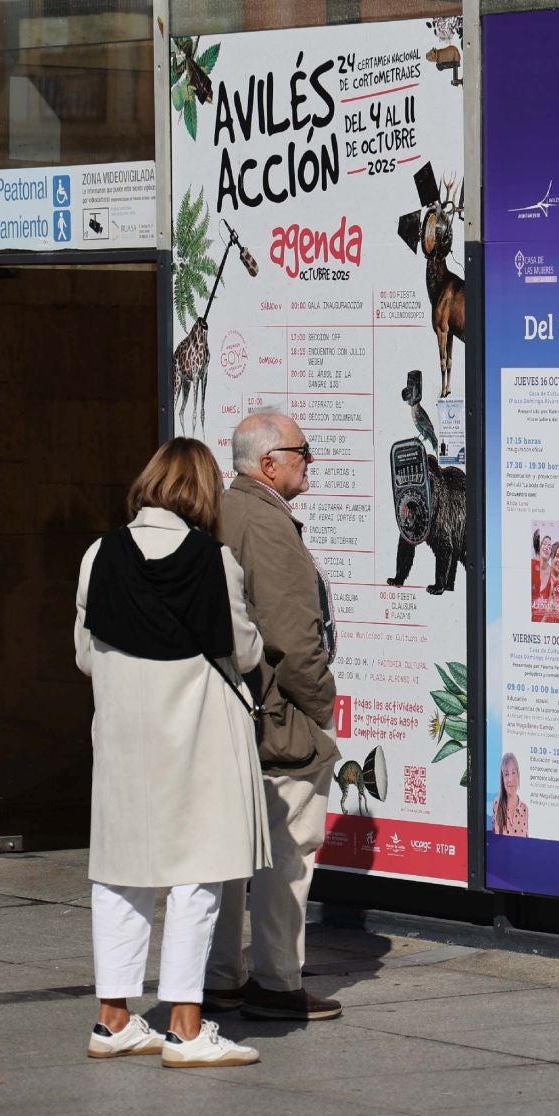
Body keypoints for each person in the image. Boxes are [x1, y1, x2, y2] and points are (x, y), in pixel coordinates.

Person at [76, 437, 268, 1068]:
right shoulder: (214, 560)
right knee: (196, 870)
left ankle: (114, 1019)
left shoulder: (99, 554)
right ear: (202, 492)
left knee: (121, 870)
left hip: (125, 734)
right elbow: (243, 652)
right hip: (197, 731)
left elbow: (85, 652)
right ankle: (186, 1027)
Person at [203, 411, 345, 1024]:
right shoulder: (266, 524)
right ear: (267, 464)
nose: (309, 461)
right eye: (301, 451)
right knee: (290, 849)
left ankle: (221, 977)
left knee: (231, 852)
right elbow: (293, 635)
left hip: (237, 710)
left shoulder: (227, 512)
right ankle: (277, 980)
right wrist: (322, 709)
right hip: (280, 715)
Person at [492, 751, 529, 835]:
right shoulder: (496, 804)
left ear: (518, 774)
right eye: (506, 774)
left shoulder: (525, 809)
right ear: (502, 779)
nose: (510, 779)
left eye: (513, 772)